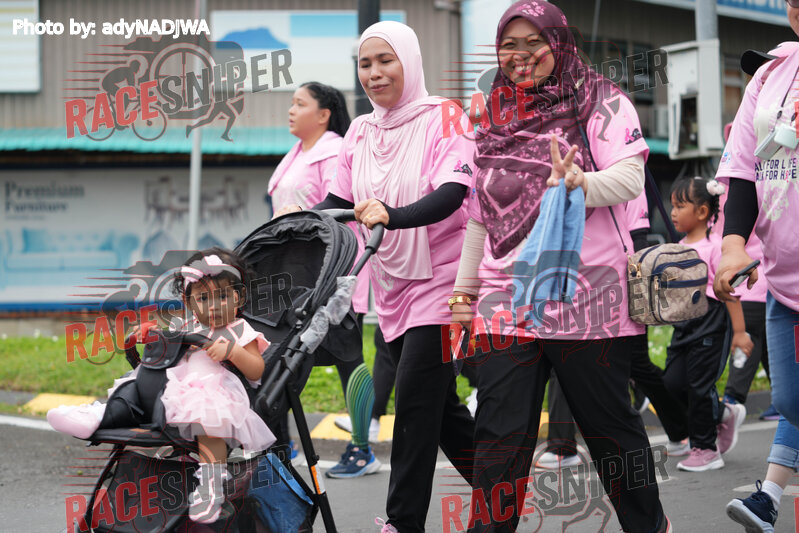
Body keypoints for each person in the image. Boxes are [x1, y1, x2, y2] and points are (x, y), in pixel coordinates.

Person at [450, 2, 672, 531]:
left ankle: (649, 526)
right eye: (510, 45)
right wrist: (463, 294)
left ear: (560, 43)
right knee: (499, 439)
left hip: (588, 297)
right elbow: (480, 213)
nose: (521, 55)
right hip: (506, 300)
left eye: (535, 42)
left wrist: (578, 182)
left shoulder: (602, 100)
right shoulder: (493, 114)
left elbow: (630, 180)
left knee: (610, 433)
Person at [306, 21, 476, 533]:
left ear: (410, 61)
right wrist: (294, 226)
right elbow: (338, 200)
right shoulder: (360, 131)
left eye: (386, 60)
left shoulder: (445, 116)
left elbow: (453, 193)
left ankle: (402, 522)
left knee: (416, 403)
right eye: (365, 64)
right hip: (391, 285)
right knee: (442, 409)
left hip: (444, 285)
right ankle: (501, 486)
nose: (374, 73)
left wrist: (392, 215)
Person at [47, 248, 276, 523]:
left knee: (210, 422)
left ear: (237, 297)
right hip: (168, 393)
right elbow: (167, 345)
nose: (213, 306)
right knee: (134, 386)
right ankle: (97, 416)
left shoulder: (240, 330)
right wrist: (151, 334)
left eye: (223, 296)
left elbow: (256, 369)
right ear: (189, 302)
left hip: (212, 393)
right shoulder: (187, 324)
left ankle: (210, 486)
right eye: (203, 298)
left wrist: (233, 352)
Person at [269, 81, 379, 478]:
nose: (291, 110)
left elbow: (341, 206)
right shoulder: (296, 153)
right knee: (281, 356)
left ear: (323, 114)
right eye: (291, 103)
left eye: (300, 103)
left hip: (331, 273)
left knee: (349, 360)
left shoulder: (335, 151)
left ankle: (362, 451)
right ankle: (283, 444)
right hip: (293, 276)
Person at [713, 28, 799, 531]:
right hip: (785, 281)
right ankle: (768, 499)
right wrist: (733, 245)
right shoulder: (769, 75)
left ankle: (768, 497)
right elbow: (745, 169)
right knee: (790, 401)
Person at [536, 192, 691, 471]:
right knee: (565, 354)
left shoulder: (625, 175)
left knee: (638, 366)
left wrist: (640, 294)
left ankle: (683, 428)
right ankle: (562, 446)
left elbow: (639, 238)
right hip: (575, 281)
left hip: (617, 286)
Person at [662, 176, 750, 472]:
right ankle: (722, 412)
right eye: (672, 206)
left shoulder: (715, 248)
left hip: (710, 322)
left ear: (702, 211)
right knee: (672, 382)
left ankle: (706, 448)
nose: (673, 212)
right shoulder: (676, 247)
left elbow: (729, 293)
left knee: (699, 386)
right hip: (683, 325)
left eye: (680, 206)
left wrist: (739, 332)